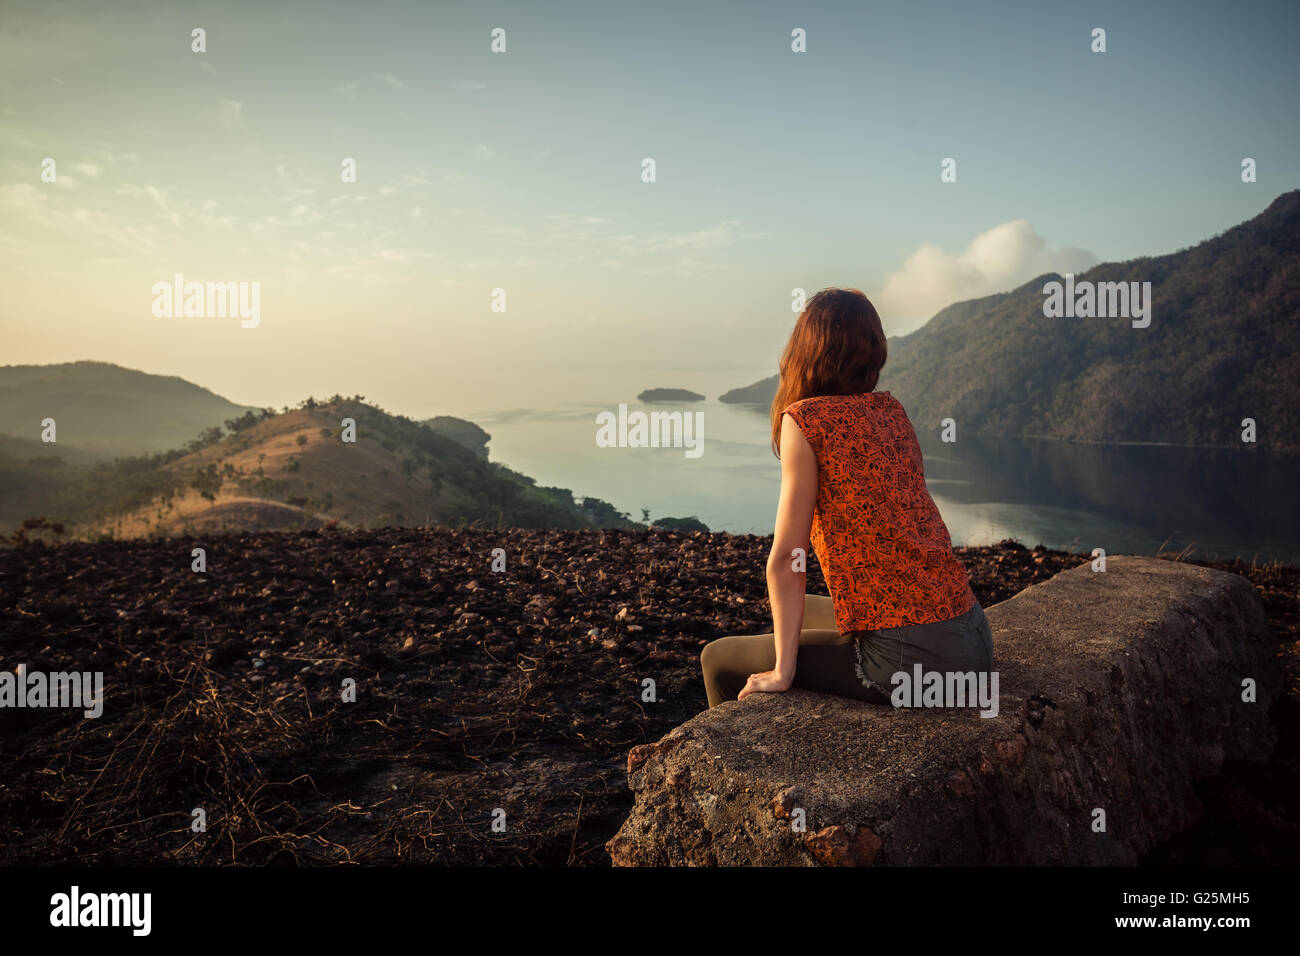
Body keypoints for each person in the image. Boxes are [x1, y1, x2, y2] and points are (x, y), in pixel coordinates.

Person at [700, 288, 993, 708]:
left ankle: (734, 763)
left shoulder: (805, 421)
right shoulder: (891, 411)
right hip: (974, 639)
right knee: (791, 617)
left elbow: (786, 561)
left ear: (805, 350)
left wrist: (784, 672)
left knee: (718, 658)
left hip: (919, 662)